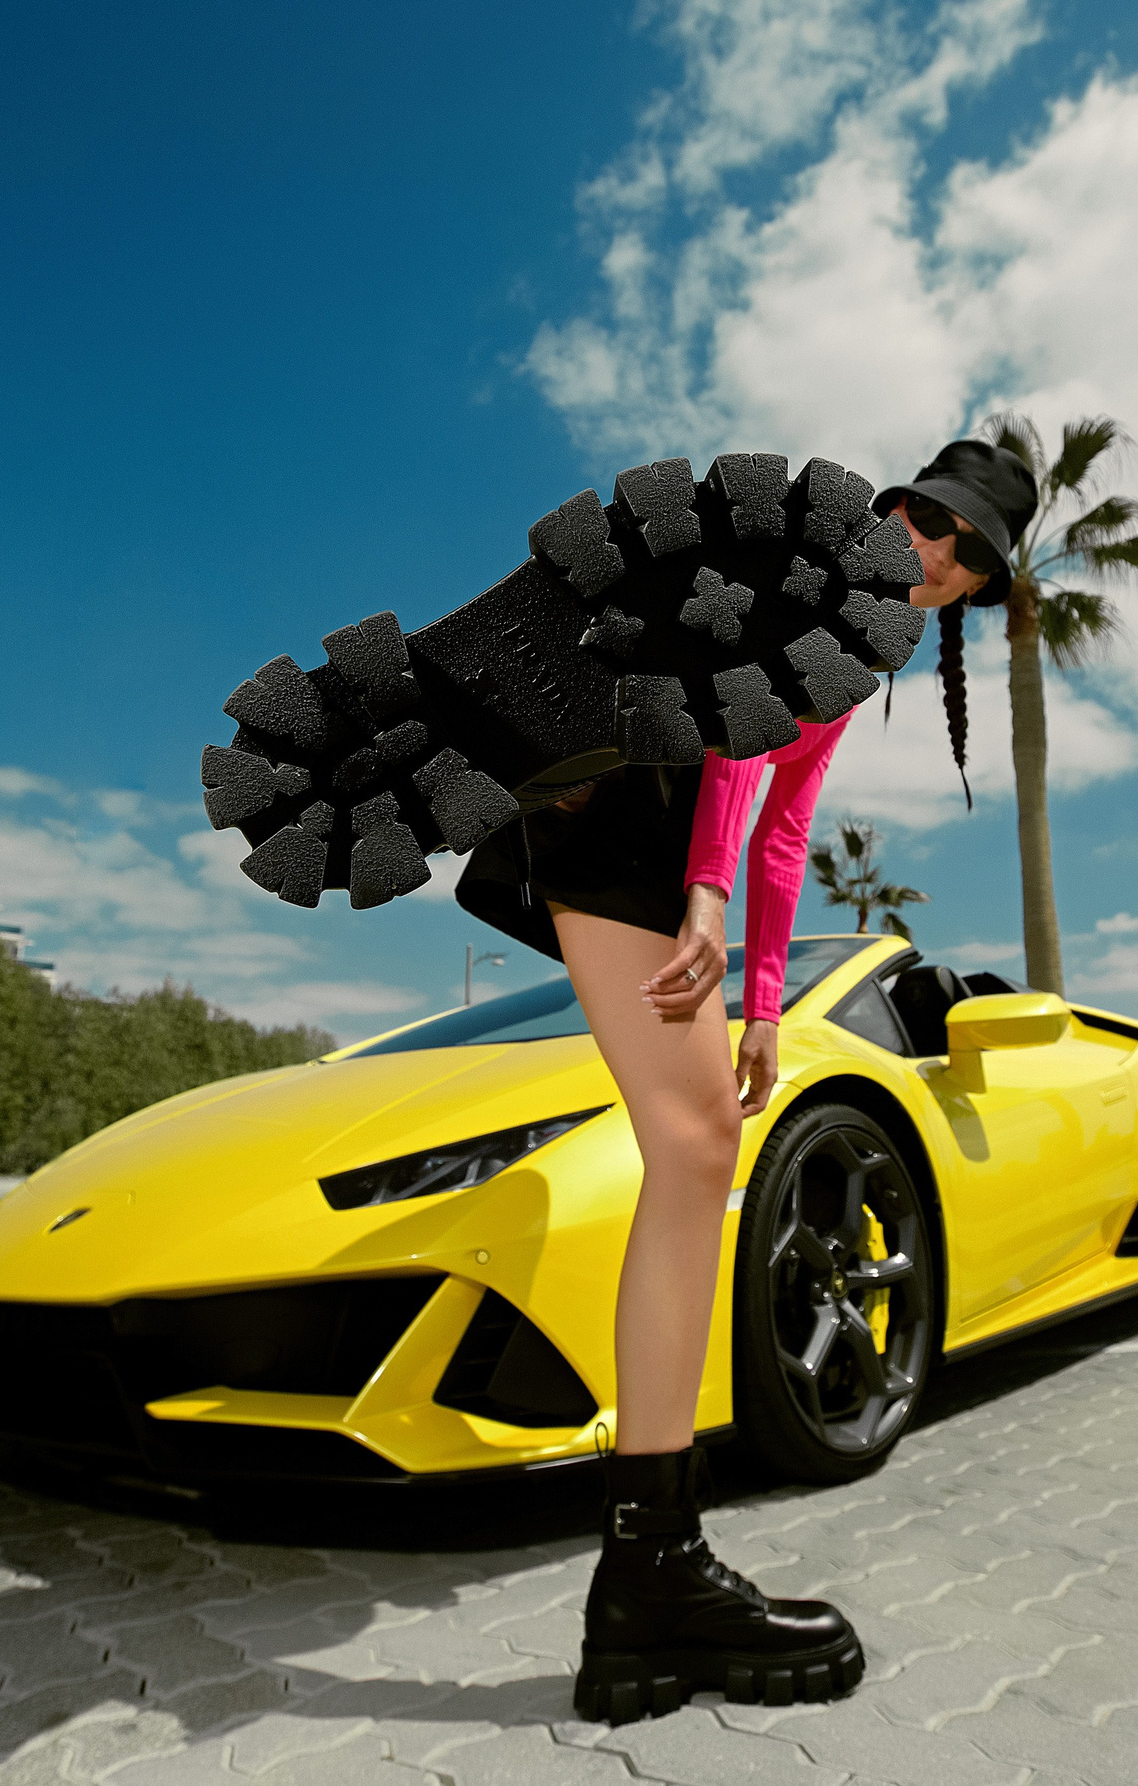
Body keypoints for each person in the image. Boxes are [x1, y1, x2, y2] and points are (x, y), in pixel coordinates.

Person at [457, 438, 1038, 1723]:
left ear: (974, 593)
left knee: (700, 1146)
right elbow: (731, 728)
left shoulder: (870, 648)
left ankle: (649, 1569)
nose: (937, 558)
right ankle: (649, 1575)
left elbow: (786, 824)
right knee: (692, 1147)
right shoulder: (813, 578)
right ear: (894, 506)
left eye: (970, 561)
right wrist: (705, 890)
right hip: (633, 807)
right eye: (932, 522)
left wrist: (766, 1001)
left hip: (677, 839)